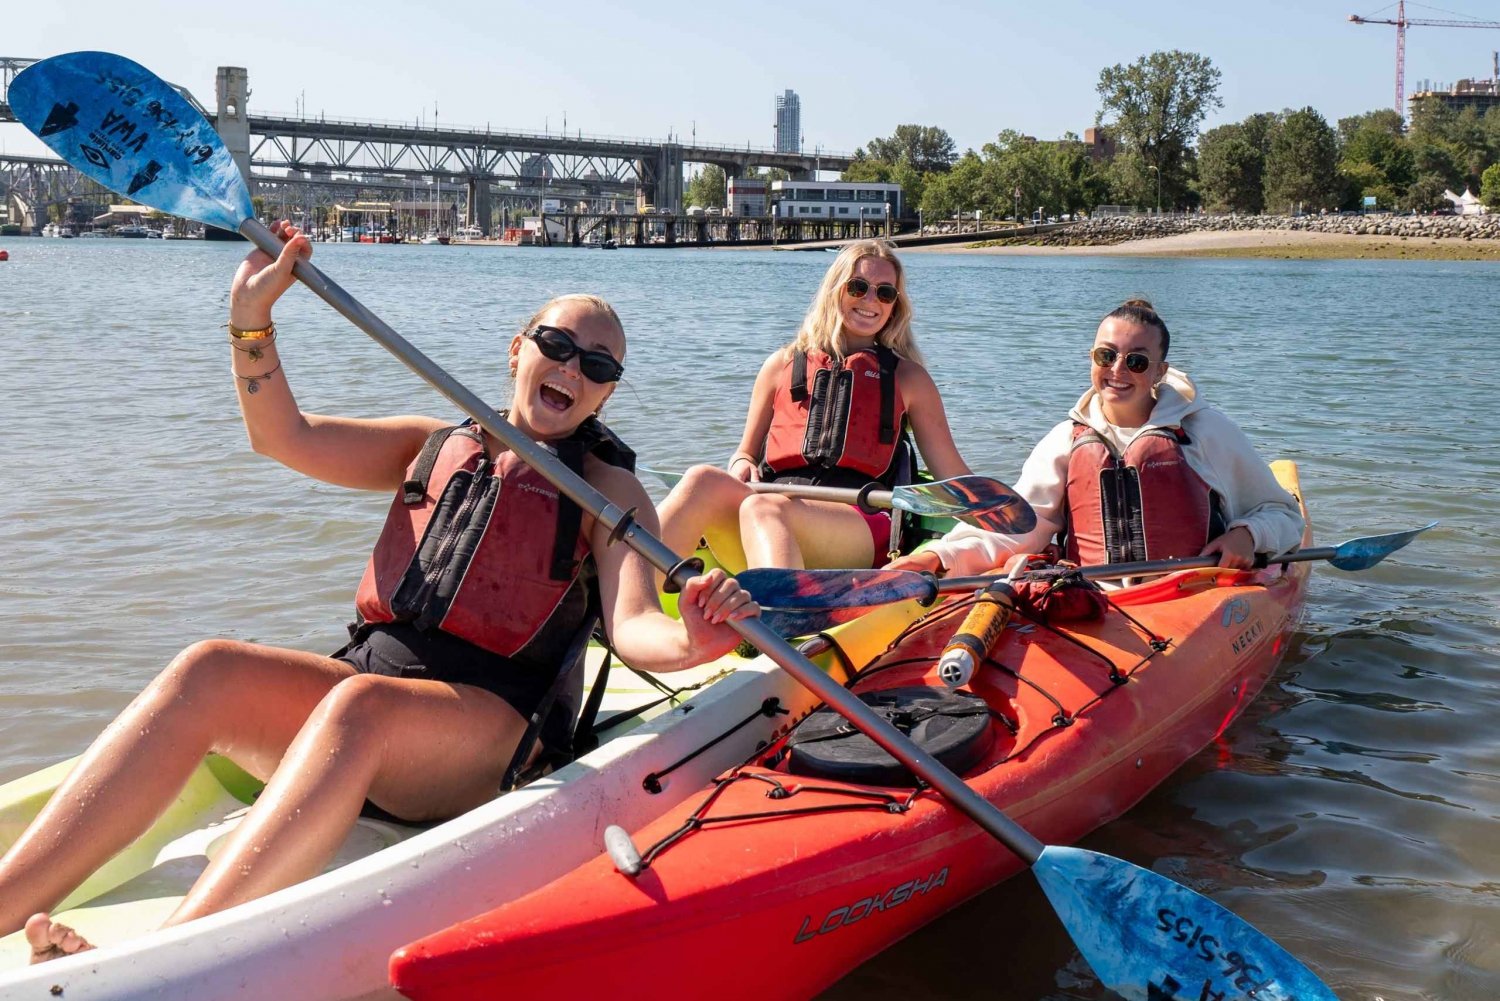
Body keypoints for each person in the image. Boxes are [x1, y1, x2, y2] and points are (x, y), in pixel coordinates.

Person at [4, 220, 758, 962]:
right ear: (518, 349)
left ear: (605, 395)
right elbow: (282, 436)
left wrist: (694, 638)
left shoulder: (606, 488)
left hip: (488, 730)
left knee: (359, 708)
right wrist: (250, 321)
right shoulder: (431, 444)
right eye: (557, 345)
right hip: (369, 691)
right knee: (209, 668)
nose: (572, 368)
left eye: (598, 365)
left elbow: (631, 626)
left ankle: (165, 957)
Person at [888, 298, 1303, 581]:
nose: (1118, 370)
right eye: (1106, 356)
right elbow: (1015, 528)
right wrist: (937, 558)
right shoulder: (1066, 440)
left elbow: (1285, 517)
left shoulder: (1203, 431)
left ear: (1160, 371)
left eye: (1137, 361)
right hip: (1091, 595)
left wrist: (1247, 536)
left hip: (1191, 593)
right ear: (1092, 358)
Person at [657, 240, 975, 572]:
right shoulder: (780, 365)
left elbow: (952, 477)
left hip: (859, 519)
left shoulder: (909, 379)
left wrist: (1016, 523)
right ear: (836, 289)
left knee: (765, 508)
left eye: (885, 293)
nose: (870, 301)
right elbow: (745, 453)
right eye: (859, 287)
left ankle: (782, 618)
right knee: (700, 479)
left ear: (895, 305)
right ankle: (625, 599)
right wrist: (741, 463)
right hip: (773, 507)